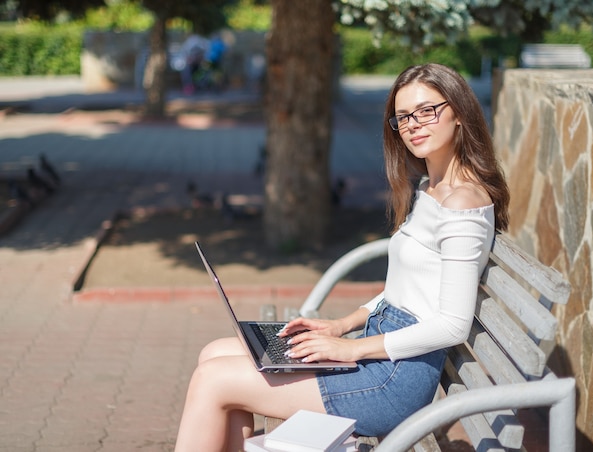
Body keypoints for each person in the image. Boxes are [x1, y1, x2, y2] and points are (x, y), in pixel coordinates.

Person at [174, 63, 510, 451]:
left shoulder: (463, 203)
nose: (414, 124)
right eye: (402, 117)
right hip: (381, 356)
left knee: (214, 380)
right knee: (215, 353)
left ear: (459, 115)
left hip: (393, 382)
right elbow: (404, 291)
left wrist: (350, 348)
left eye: (427, 110)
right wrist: (339, 326)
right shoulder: (430, 188)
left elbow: (452, 326)